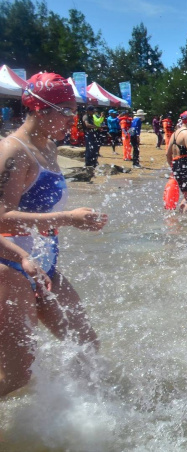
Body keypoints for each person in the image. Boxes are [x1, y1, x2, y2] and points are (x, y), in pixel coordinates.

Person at [0, 73, 108, 396]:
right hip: (10, 270)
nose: (71, 120)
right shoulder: (13, 152)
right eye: (66, 111)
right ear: (39, 108)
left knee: (87, 345)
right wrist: (68, 219)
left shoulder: (50, 148)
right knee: (17, 376)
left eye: (73, 111)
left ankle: (83, 421)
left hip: (44, 268)